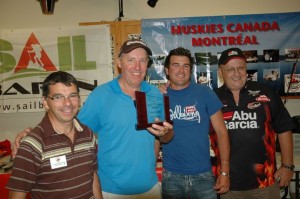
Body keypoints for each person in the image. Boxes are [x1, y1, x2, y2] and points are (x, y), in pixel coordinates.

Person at [12, 39, 174, 199]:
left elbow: (165, 136)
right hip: (112, 191)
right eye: (131, 60)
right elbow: (69, 125)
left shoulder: (154, 93)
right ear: (119, 62)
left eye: (142, 61)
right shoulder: (101, 95)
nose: (137, 67)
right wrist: (33, 135)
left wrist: (165, 133)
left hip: (150, 188)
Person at [6, 71, 103, 199]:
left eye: (72, 95)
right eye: (58, 97)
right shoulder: (32, 145)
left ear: (79, 99)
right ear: (45, 102)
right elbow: (17, 194)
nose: (67, 103)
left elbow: (92, 174)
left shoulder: (88, 134)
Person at [216, 47, 295, 199]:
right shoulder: (212, 98)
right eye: (230, 69)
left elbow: (284, 128)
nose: (237, 73)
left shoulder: (267, 93)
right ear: (221, 72)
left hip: (265, 182)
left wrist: (287, 166)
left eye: (240, 68)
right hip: (227, 185)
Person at [160, 47, 230, 199]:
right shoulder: (159, 97)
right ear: (167, 70)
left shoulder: (205, 93)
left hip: (203, 176)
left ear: (191, 70)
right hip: (171, 176)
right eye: (175, 65)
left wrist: (224, 171)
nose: (181, 70)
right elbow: (155, 137)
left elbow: (222, 132)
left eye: (186, 66)